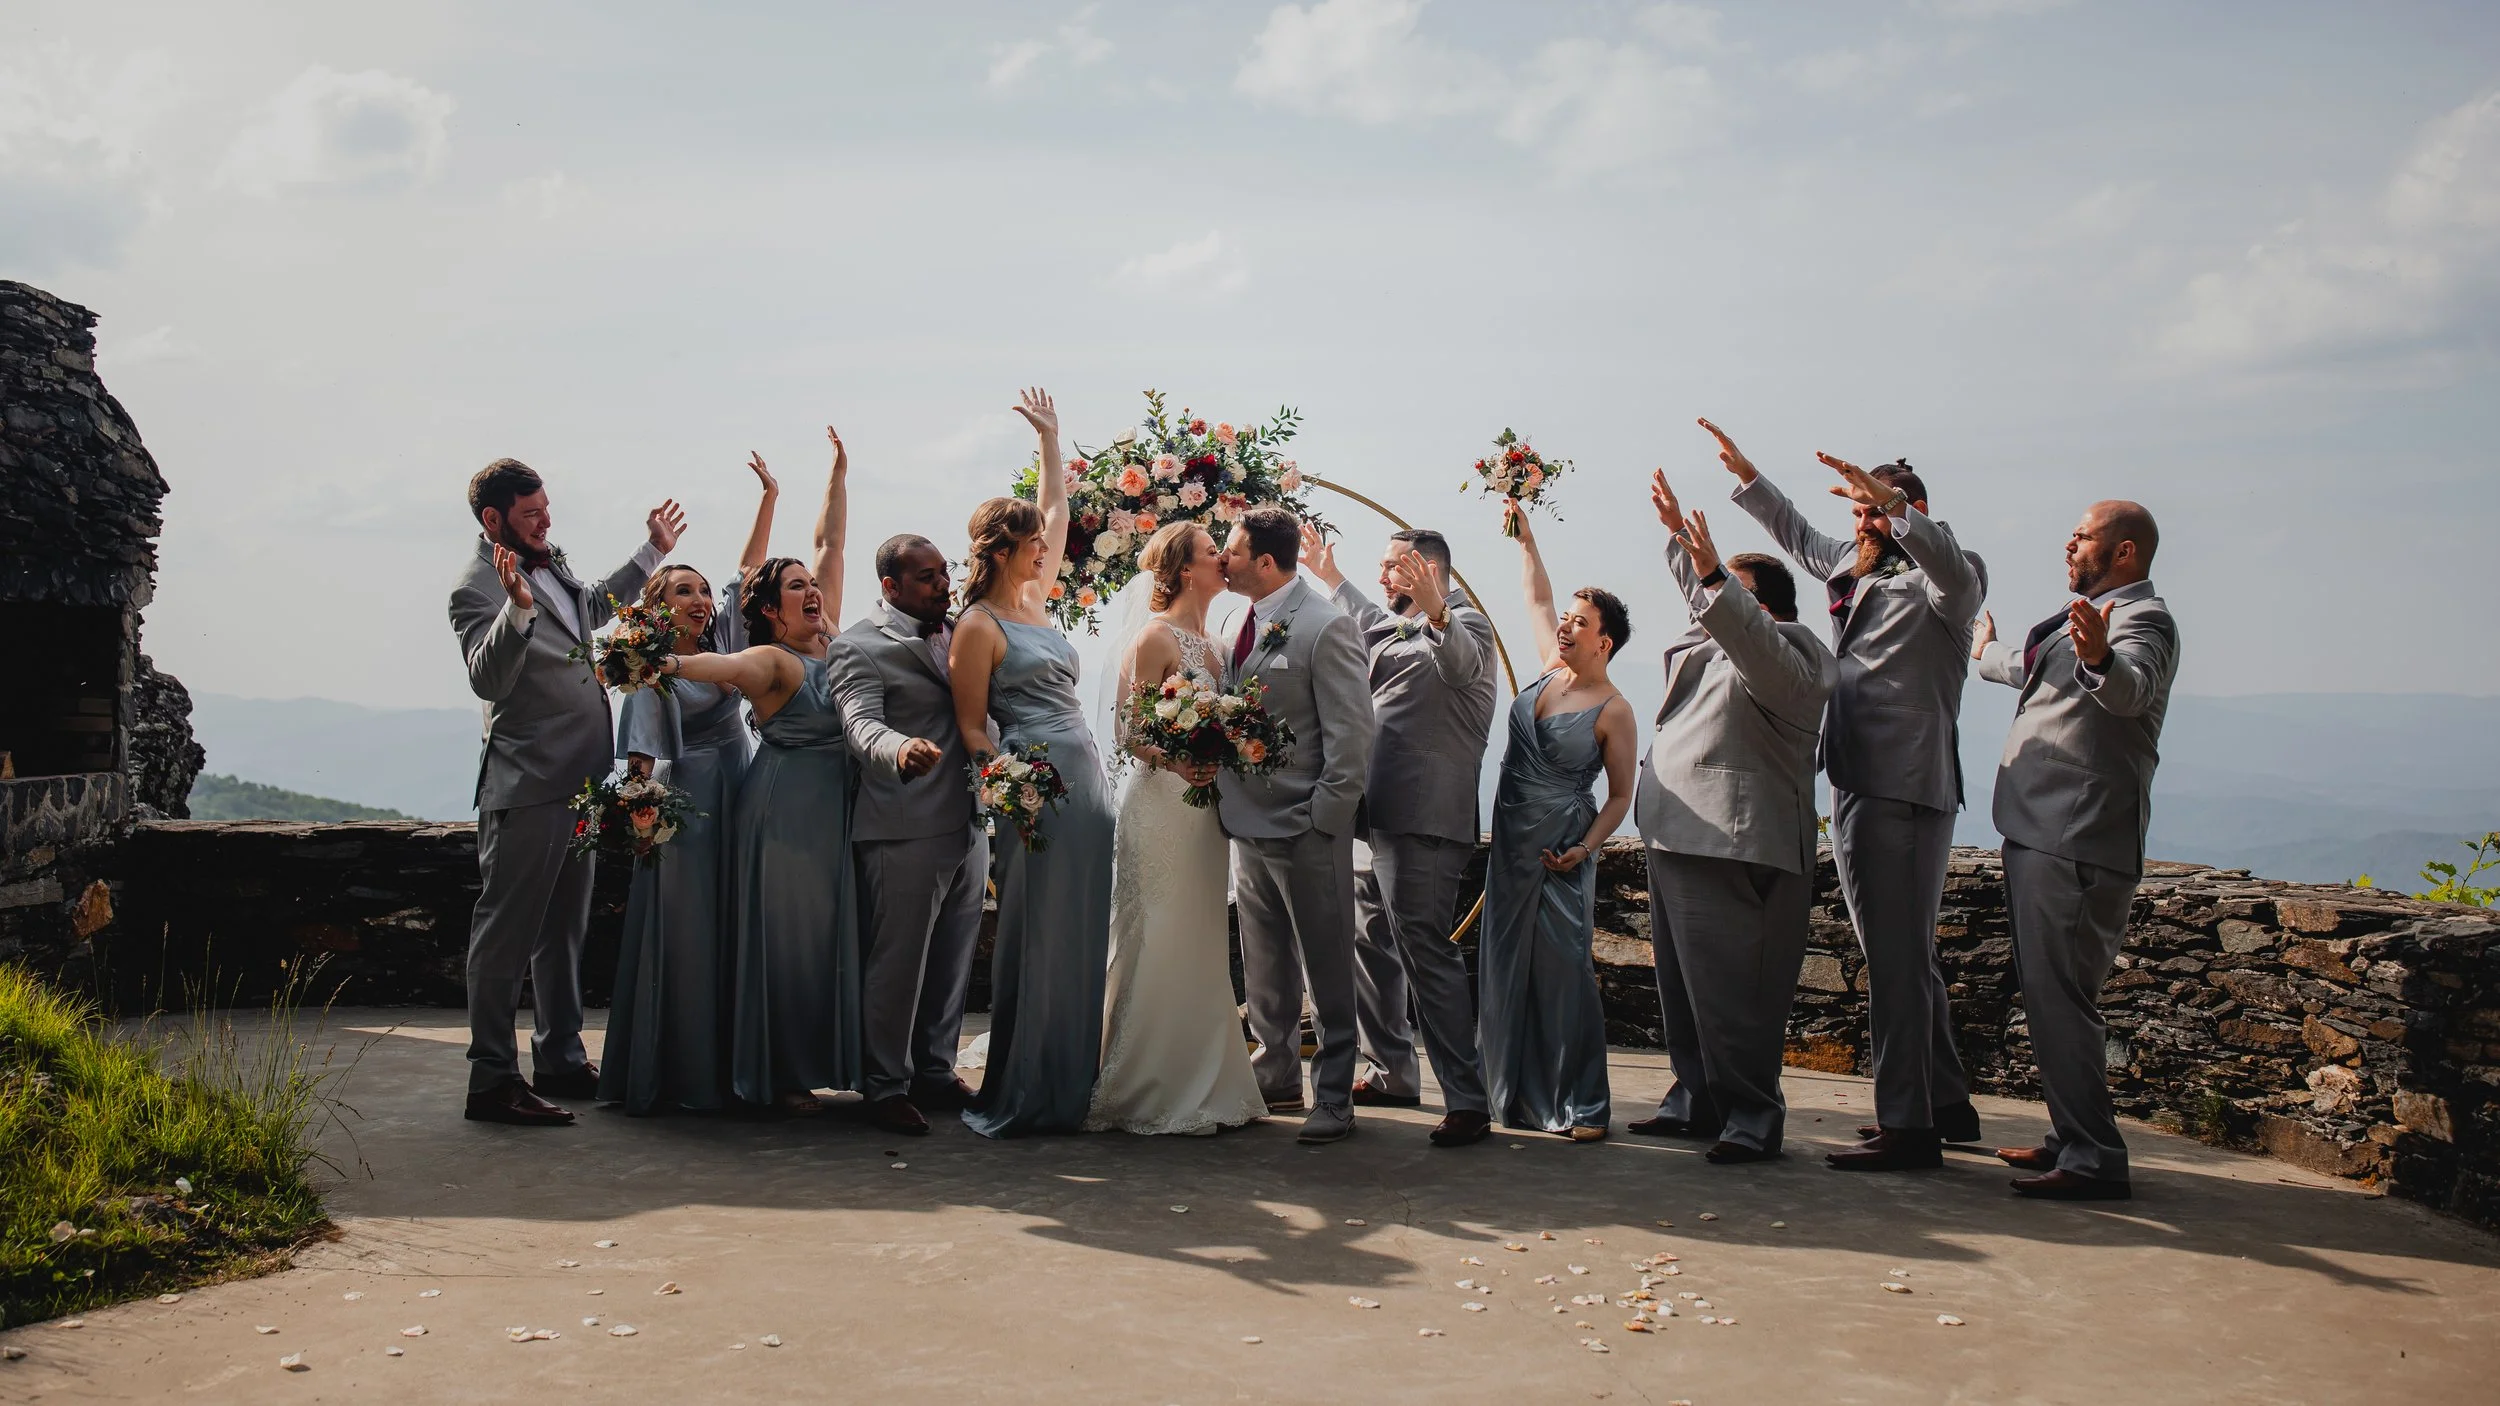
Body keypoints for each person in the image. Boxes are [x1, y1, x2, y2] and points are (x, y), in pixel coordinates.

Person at [1701, 419, 1990, 1171]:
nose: (1862, 522)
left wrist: (1894, 509)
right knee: (1903, 954)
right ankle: (1946, 1104)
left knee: (1895, 962)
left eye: (1876, 510)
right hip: (1856, 773)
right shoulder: (1855, 566)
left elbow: (1952, 571)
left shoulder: (1949, 579)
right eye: (1859, 510)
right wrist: (1748, 477)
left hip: (1904, 781)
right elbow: (1798, 535)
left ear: (1912, 512)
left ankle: (1908, 1126)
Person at [448, 457, 682, 1125]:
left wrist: (652, 552)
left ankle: (559, 1057)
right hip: (527, 786)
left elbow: (591, 606)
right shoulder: (474, 588)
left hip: (578, 785)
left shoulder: (547, 560)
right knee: (505, 936)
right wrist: (516, 611)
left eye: (546, 508)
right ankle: (492, 1079)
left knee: (563, 931)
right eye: (531, 514)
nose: (545, 521)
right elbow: (487, 679)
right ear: (493, 519)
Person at [1628, 474, 1836, 1164]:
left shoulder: (1794, 655)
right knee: (1684, 990)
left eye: (1724, 590)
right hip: (1676, 830)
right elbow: (1707, 602)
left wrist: (1714, 570)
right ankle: (1695, 1098)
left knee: (1733, 994)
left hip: (1734, 839)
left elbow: (1748, 638)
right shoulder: (1713, 643)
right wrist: (1678, 541)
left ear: (1760, 607)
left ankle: (1751, 1115)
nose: (1707, 597)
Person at [1975, 500, 2178, 1201]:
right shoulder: (2084, 619)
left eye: (2083, 536)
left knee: (2062, 997)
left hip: (2076, 834)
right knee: (2051, 993)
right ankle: (2070, 1137)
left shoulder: (2144, 621)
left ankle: (2093, 1157)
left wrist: (2099, 657)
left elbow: (2130, 690)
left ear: (2125, 552)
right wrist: (1986, 652)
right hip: (2045, 829)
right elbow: (2038, 668)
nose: (2069, 544)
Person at [659, 427, 857, 1115]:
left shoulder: (832, 638)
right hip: (786, 813)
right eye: (797, 587)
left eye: (812, 585)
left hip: (835, 808)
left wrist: (838, 473)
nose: (813, 591)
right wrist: (662, 660)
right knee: (788, 940)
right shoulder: (770, 659)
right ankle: (779, 1075)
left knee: (827, 939)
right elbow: (717, 664)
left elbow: (831, 545)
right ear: (770, 610)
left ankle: (824, 1061)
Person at [1298, 521, 1499, 1149]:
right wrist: (1331, 577)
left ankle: (1467, 1100)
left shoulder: (1470, 626)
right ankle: (1392, 1071)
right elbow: (1373, 621)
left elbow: (1459, 664)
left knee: (1424, 952)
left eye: (1393, 566)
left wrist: (1439, 610)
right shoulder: (1399, 623)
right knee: (1371, 945)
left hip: (1424, 817)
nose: (1382, 574)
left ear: (1427, 571)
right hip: (1374, 814)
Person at [952, 388, 1118, 1138]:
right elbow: (971, 727)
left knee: (1081, 928)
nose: (1046, 551)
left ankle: (1074, 1083)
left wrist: (1052, 441)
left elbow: (1056, 511)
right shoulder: (978, 625)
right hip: (1033, 788)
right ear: (1002, 552)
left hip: (1086, 780)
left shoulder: (1036, 601)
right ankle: (1028, 1085)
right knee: (1039, 932)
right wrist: (1009, 788)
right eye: (1032, 547)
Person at [598, 454, 780, 1116]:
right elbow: (640, 761)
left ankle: (738, 1066)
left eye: (702, 592)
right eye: (684, 592)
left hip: (741, 789)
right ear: (657, 606)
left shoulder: (723, 640)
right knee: (693, 932)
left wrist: (769, 497)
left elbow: (748, 575)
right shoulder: (648, 670)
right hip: (690, 808)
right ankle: (689, 1074)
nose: (702, 601)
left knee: (739, 927)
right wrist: (643, 818)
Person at [1083, 522, 1270, 1136]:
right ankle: (1147, 1082)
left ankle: (1209, 1077)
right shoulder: (1154, 637)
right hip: (1161, 803)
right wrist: (1176, 762)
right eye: (1213, 552)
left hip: (1203, 809)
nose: (1224, 559)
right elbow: (1129, 730)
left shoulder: (1214, 647)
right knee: (1158, 930)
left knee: (1199, 935)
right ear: (1186, 570)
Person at [1216, 505, 1377, 1145]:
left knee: (1327, 965)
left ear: (1263, 561)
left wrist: (1322, 820)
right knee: (1264, 964)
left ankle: (1334, 1094)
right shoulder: (1234, 621)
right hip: (1245, 823)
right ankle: (1276, 1070)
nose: (1222, 560)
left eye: (1231, 551)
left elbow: (1352, 736)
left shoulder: (1325, 626)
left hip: (1305, 827)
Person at [1480, 501, 1638, 1140]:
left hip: (1561, 851)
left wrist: (1587, 849)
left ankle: (1583, 1105)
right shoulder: (1550, 666)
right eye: (1567, 620)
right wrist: (1527, 541)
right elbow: (1538, 597)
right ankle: (1515, 1096)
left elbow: (1621, 796)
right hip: (1510, 844)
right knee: (1503, 968)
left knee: (1564, 974)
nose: (1566, 627)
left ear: (1604, 642)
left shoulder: (1615, 710)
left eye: (1580, 623)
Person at [829, 531, 991, 1137]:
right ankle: (885, 1084)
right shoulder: (858, 646)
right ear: (890, 586)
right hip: (902, 827)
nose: (943, 584)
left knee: (953, 959)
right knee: (898, 964)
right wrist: (899, 750)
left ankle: (935, 1070)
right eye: (926, 578)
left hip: (969, 822)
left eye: (943, 572)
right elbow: (861, 725)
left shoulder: (963, 630)